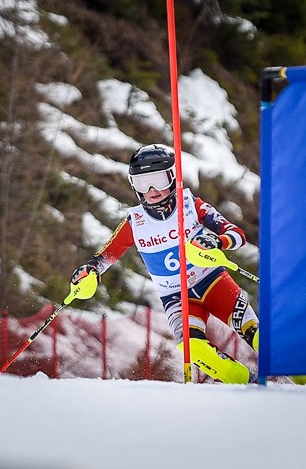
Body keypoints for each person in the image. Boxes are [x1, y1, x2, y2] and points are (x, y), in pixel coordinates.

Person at [69, 143, 261, 384]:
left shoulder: (190, 205)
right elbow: (104, 257)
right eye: (143, 183)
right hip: (177, 298)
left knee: (257, 335)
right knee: (193, 349)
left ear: (172, 177)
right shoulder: (135, 222)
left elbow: (237, 235)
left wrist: (216, 240)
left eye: (158, 180)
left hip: (213, 282)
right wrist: (89, 271)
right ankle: (246, 383)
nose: (152, 190)